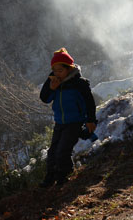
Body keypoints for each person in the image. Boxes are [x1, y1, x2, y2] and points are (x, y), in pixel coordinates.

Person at [39, 48, 97, 187]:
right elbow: (45, 98)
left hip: (75, 122)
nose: (57, 73)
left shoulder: (79, 83)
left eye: (60, 70)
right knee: (52, 151)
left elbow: (89, 102)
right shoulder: (53, 81)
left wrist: (91, 120)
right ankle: (50, 178)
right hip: (59, 122)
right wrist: (52, 88)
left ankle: (63, 178)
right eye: (54, 70)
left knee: (62, 150)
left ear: (69, 69)